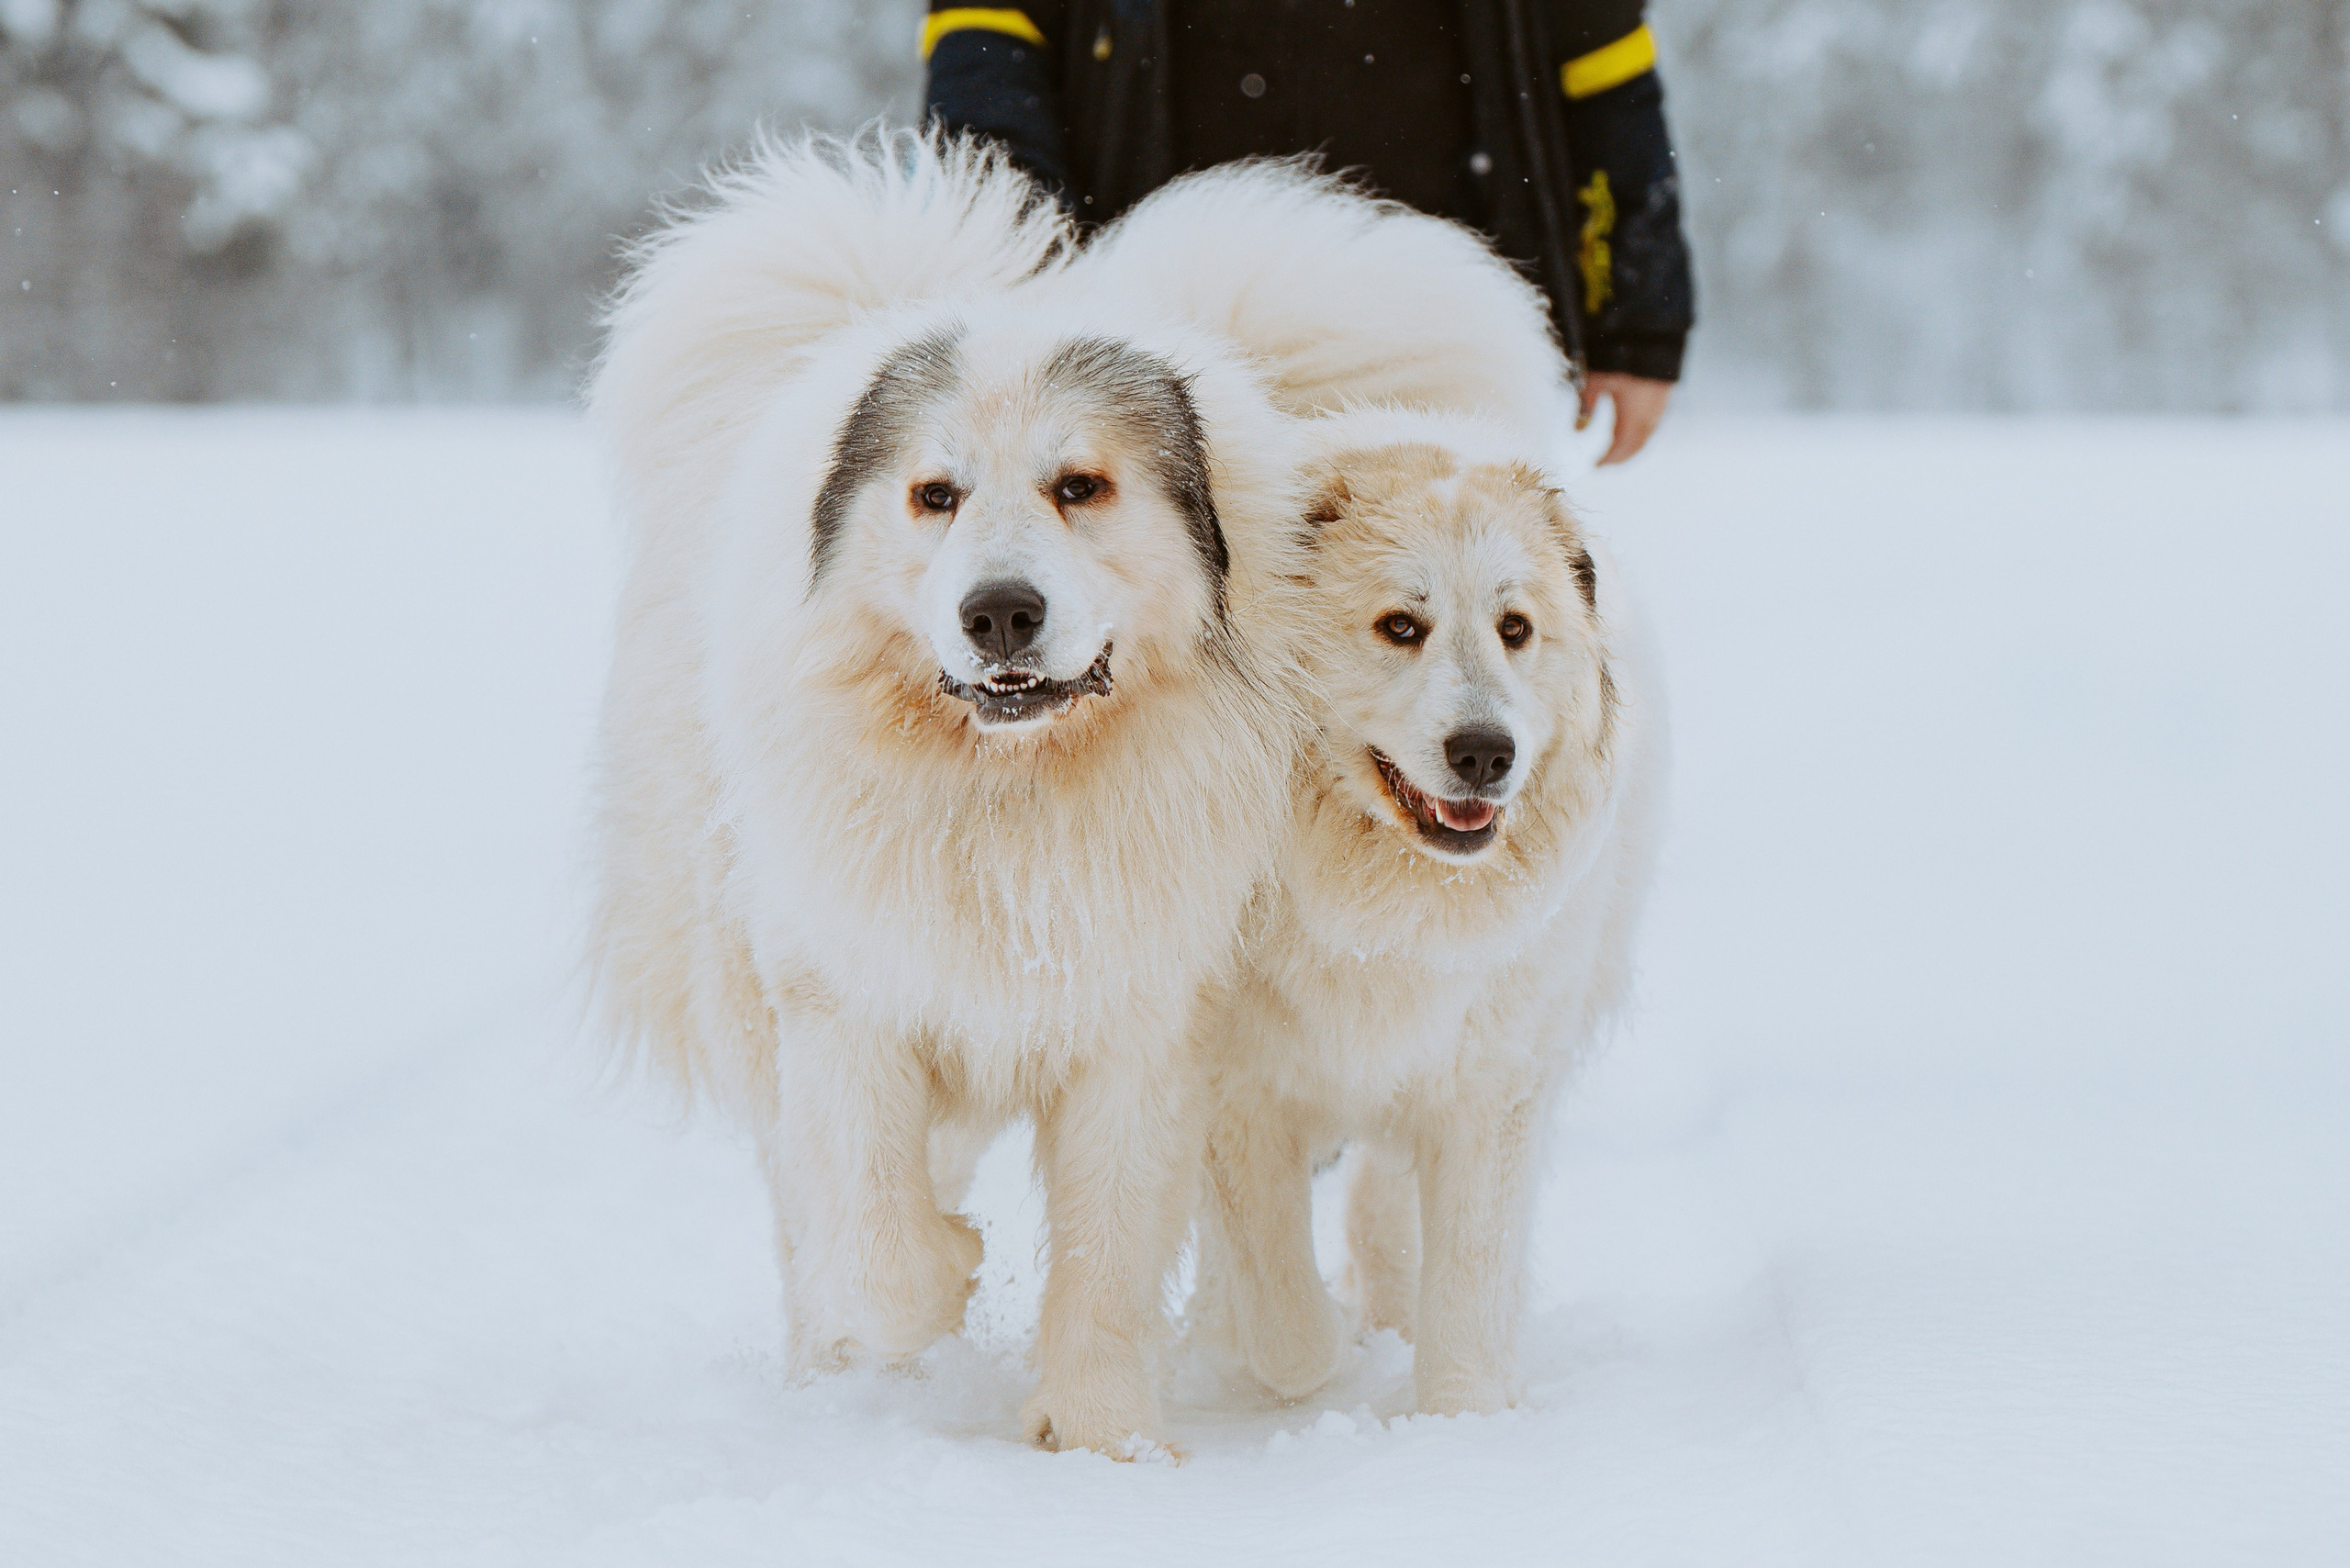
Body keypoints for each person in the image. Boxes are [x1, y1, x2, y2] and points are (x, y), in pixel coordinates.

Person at [921, 1, 1695, 465]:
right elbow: (987, 54)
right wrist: (1016, 279)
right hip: (1158, 328)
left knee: (1430, 657)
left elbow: (1605, 73)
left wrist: (1637, 326)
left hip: (1442, 339)